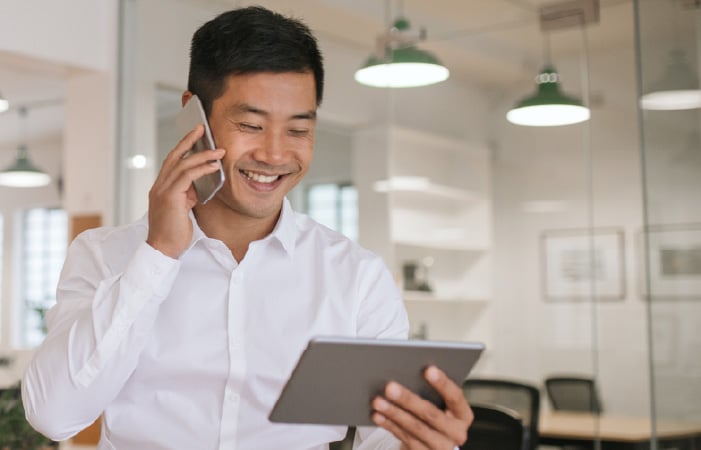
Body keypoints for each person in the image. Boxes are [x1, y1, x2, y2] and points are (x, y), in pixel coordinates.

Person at [22, 6, 472, 449]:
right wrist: (157, 255)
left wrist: (425, 443)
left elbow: (385, 440)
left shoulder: (356, 277)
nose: (276, 155)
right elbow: (54, 416)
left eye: (298, 130)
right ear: (194, 117)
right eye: (251, 125)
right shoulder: (105, 254)